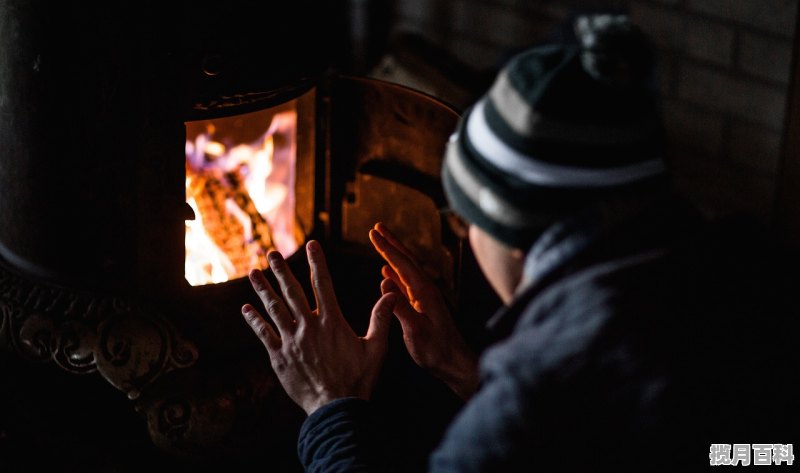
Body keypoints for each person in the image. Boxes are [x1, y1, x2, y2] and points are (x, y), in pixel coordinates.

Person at [241, 14, 798, 471]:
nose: (462, 233)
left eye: (464, 219)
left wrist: (330, 404)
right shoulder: (750, 274)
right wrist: (466, 370)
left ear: (509, 232)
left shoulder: (526, 405)